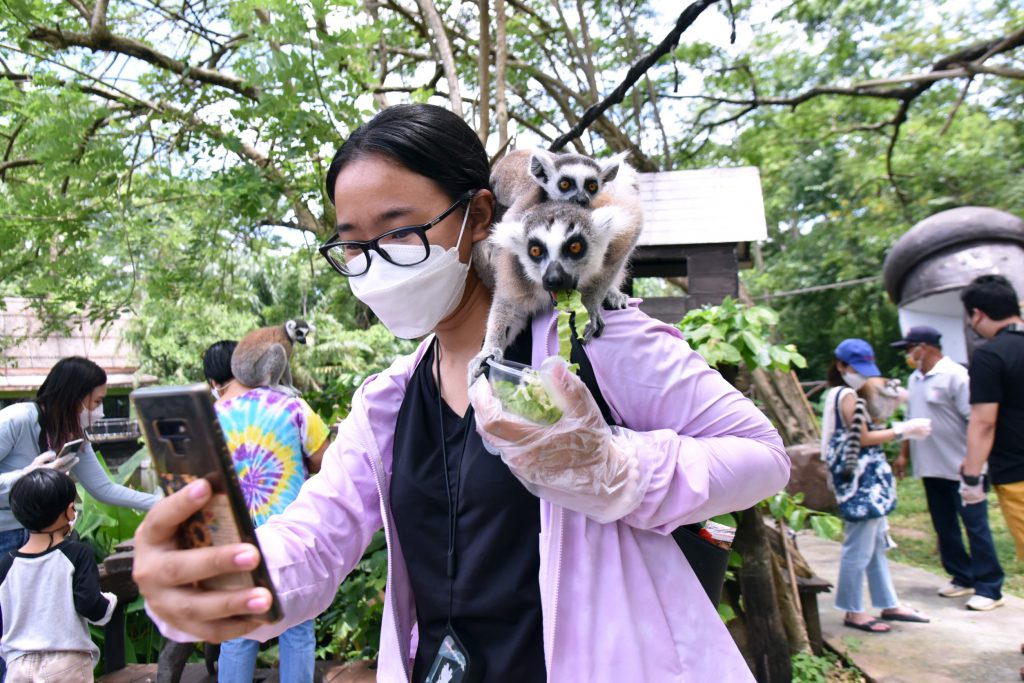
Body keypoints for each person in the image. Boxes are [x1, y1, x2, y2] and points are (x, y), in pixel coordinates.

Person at [132, 103, 791, 682]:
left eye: (399, 230)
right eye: (353, 245)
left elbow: (762, 455)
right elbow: (317, 539)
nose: (375, 262)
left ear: (478, 215)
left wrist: (618, 468)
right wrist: (223, 579)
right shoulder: (388, 403)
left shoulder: (592, 342)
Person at [201, 340, 330, 683]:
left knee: (238, 633)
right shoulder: (292, 406)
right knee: (298, 627)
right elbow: (324, 460)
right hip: (291, 533)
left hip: (234, 540)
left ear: (214, 382)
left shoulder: (208, 419)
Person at [822, 338, 931, 633]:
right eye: (856, 369)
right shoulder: (845, 394)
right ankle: (852, 610)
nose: (861, 375)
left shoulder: (852, 393)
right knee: (859, 546)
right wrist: (903, 430)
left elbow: (879, 414)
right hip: (859, 482)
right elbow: (863, 437)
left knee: (875, 544)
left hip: (870, 481)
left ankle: (888, 603)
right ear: (841, 366)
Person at [891, 325, 1004, 610]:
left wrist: (975, 461)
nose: (908, 355)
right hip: (931, 467)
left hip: (961, 468)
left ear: (925, 347)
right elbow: (911, 421)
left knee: (975, 526)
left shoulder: (956, 376)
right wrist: (904, 455)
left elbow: (977, 419)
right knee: (945, 526)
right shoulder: (915, 379)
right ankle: (961, 575)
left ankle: (990, 586)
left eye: (909, 349)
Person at [0, 357, 157, 554]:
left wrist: (162, 503)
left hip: (37, 536)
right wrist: (27, 476)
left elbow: (104, 489)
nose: (100, 412)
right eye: (97, 402)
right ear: (73, 396)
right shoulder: (17, 419)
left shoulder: (73, 435)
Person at [0, 469, 117, 682]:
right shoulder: (77, 554)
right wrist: (109, 601)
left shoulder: (7, 564)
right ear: (69, 511)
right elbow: (91, 606)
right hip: (65, 663)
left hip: (18, 665)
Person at [959, 274, 1024, 561]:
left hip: (1018, 473)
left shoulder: (990, 356)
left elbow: (984, 422)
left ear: (978, 314)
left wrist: (971, 476)